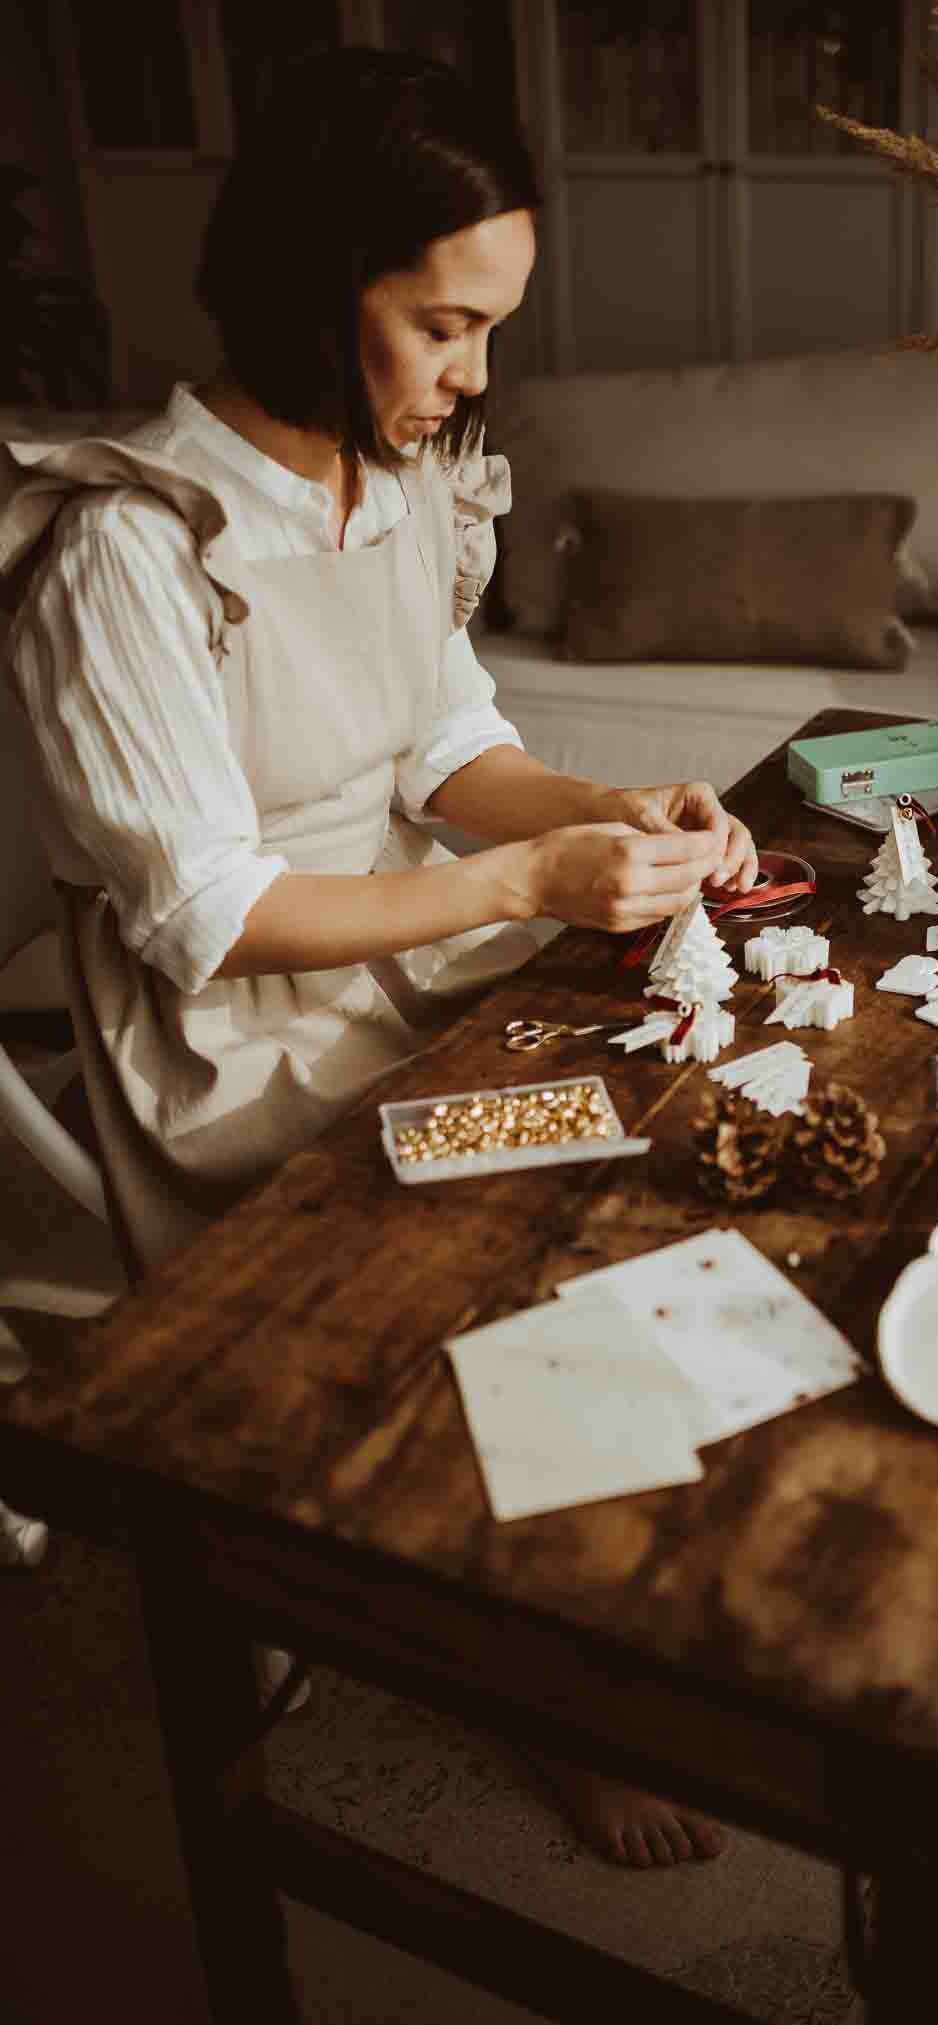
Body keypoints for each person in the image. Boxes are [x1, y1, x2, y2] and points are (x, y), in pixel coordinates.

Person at [0, 48, 752, 1868]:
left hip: (403, 958)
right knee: (532, 1226)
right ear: (309, 284)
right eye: (442, 326)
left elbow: (438, 758)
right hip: (238, 1035)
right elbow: (210, 916)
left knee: (673, 1115)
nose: (476, 375)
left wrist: (613, 805)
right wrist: (524, 889)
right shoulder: (131, 542)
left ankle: (595, 1560)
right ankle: (540, 1668)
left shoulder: (398, 481)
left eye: (490, 326)